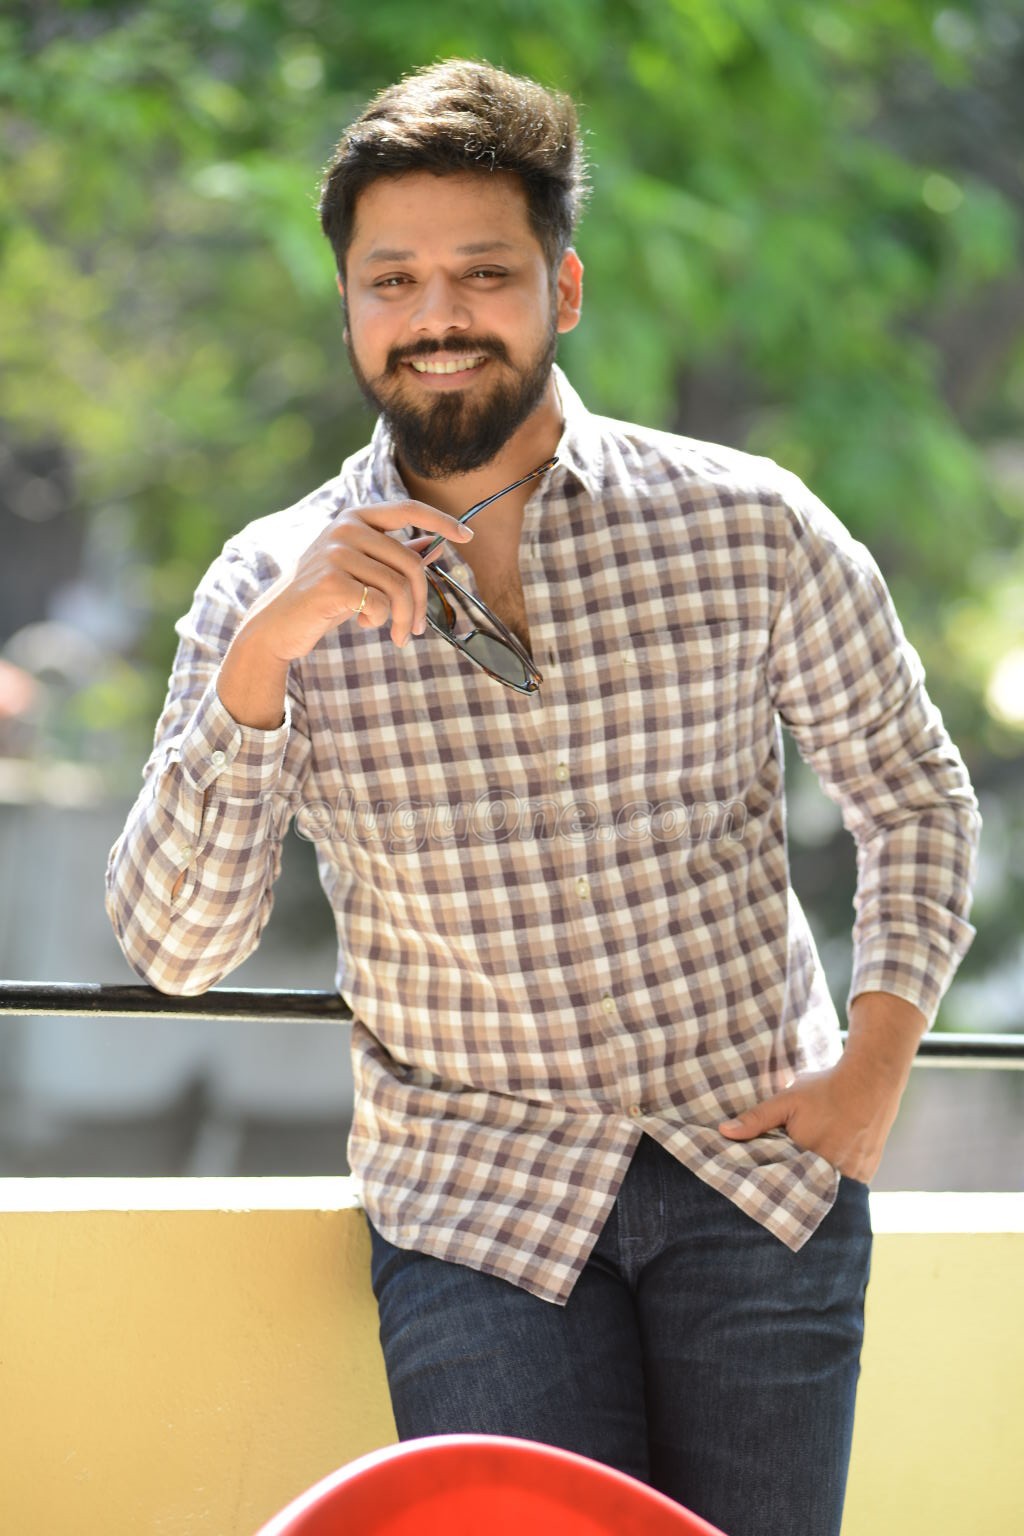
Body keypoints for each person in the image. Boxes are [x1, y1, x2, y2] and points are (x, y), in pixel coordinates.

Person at [106, 59, 980, 1536]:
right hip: (478, 1215)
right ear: (349, 308)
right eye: (393, 280)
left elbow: (914, 793)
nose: (436, 315)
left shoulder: (745, 522)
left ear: (561, 289)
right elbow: (177, 950)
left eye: (483, 272)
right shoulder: (264, 585)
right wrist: (264, 662)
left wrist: (878, 1063)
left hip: (756, 1181)